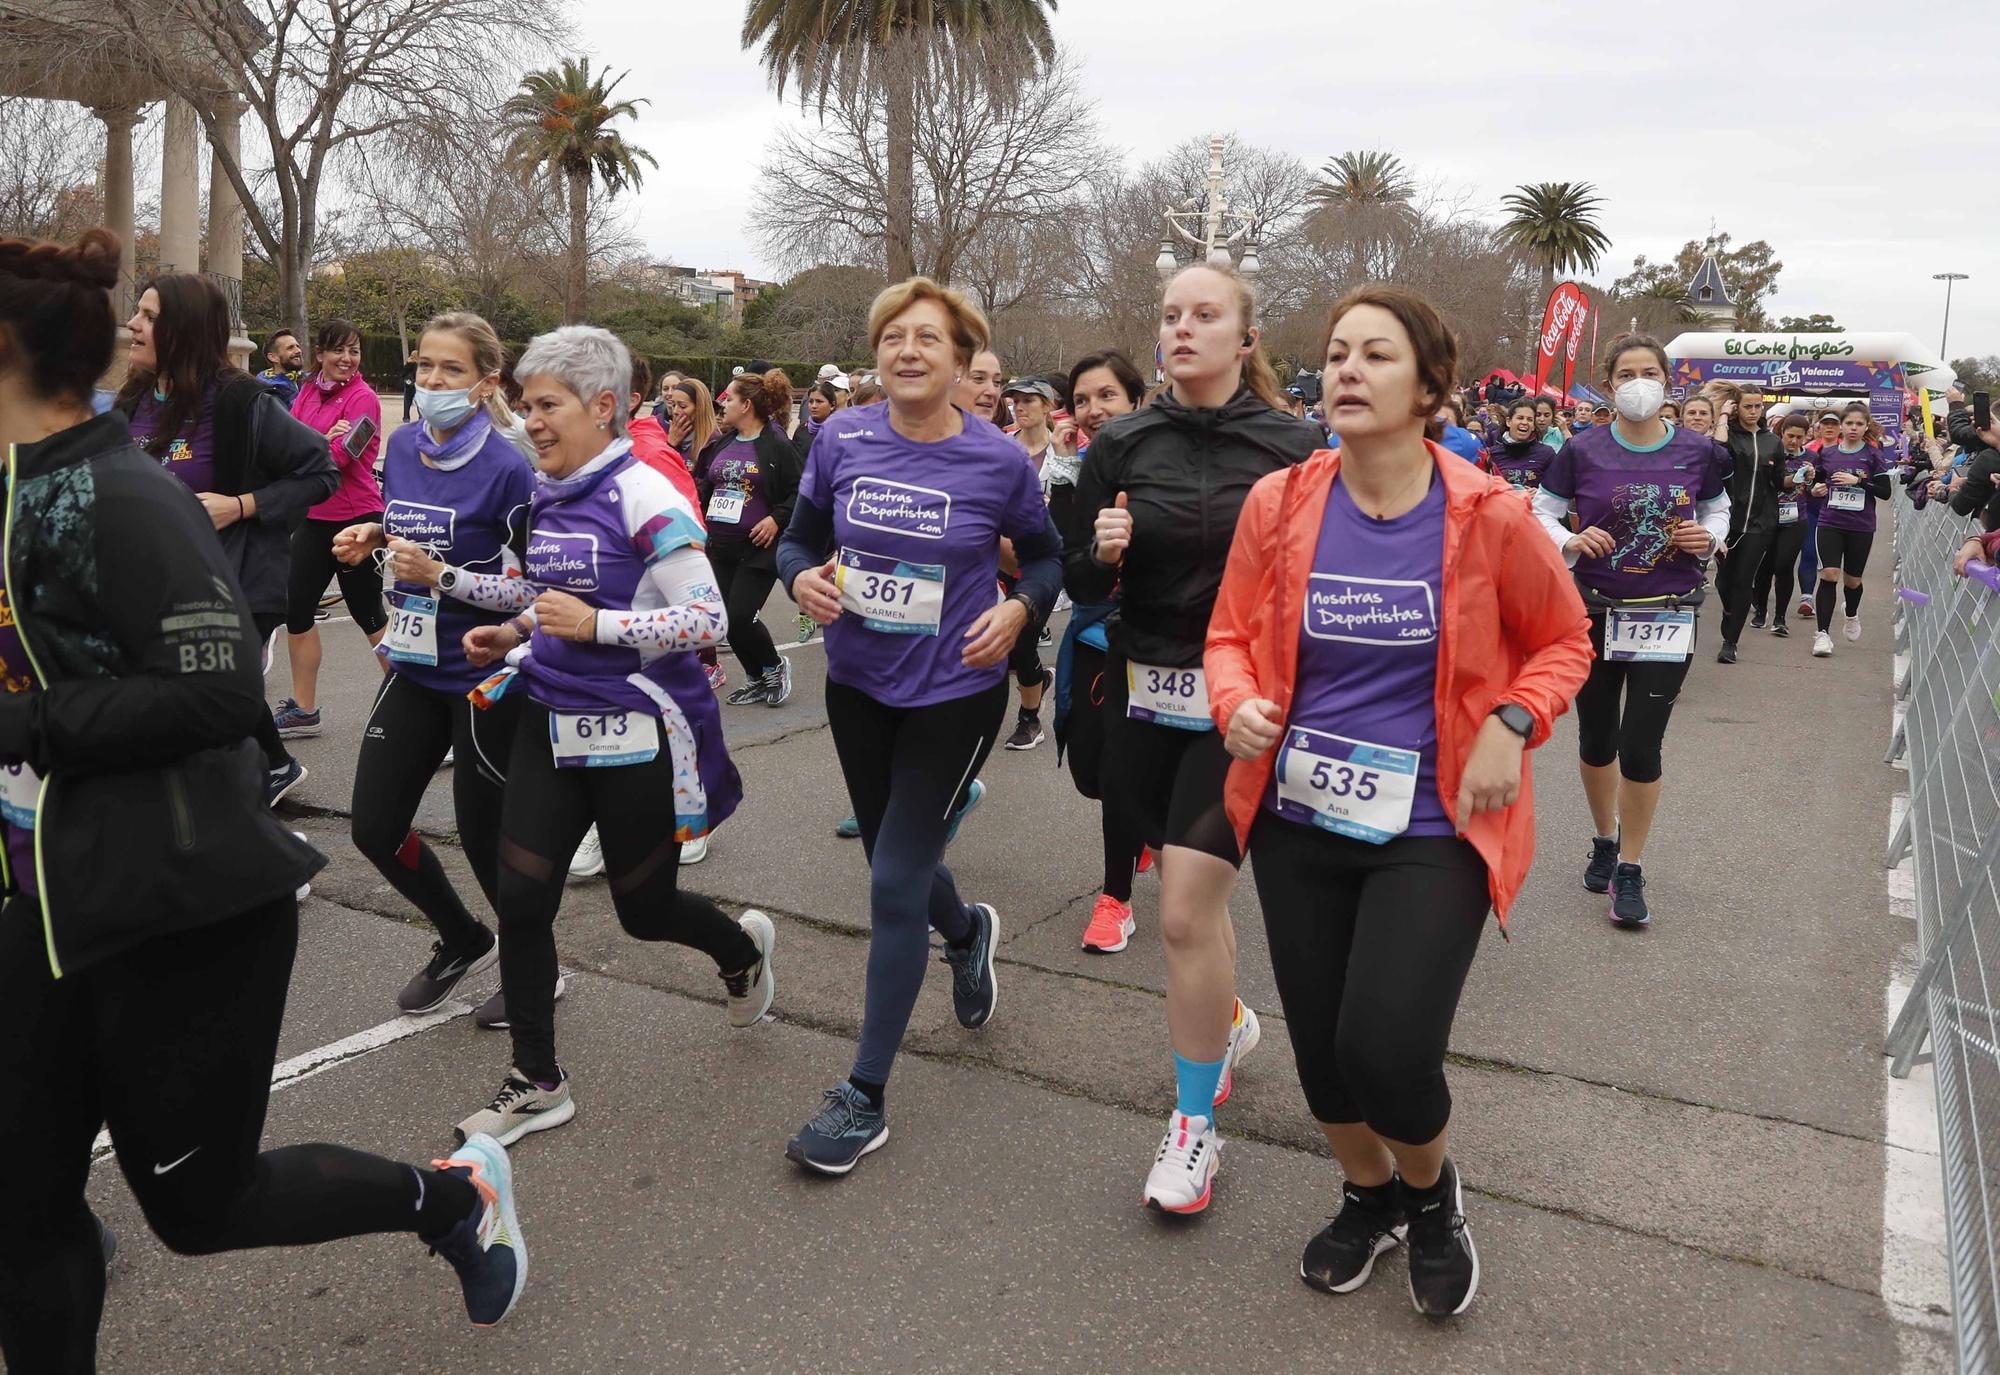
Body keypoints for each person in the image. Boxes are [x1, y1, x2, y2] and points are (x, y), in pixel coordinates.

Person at [0, 231, 528, 1368]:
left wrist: (25, 727)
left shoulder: (122, 496)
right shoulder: (15, 484)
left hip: (180, 902)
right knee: (22, 1206)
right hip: (43, 904)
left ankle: (450, 1199)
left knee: (200, 1209)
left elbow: (205, 697)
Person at [1207, 283, 1591, 1318]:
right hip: (1296, 818)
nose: (1345, 371)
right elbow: (1230, 635)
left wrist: (1512, 725)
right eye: (1335, 353)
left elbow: (1564, 642)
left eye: (1374, 356)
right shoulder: (1278, 504)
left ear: (1428, 389)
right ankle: (1365, 1193)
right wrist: (1235, 701)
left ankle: (1430, 1197)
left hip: (1431, 822)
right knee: (1325, 1055)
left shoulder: (1489, 514)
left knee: (1386, 1046)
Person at [454, 325, 775, 1145]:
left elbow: (710, 617)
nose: (532, 422)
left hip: (637, 729)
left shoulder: (647, 495)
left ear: (602, 407)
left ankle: (740, 950)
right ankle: (537, 1079)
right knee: (522, 899)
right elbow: (549, 589)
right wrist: (517, 629)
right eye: (525, 406)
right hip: (550, 717)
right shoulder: (552, 490)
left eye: (548, 405)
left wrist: (597, 624)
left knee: (644, 908)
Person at [776, 278, 1057, 1175]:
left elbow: (1048, 557)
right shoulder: (840, 436)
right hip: (858, 686)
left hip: (955, 692)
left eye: (926, 338)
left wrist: (1018, 612)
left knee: (892, 883)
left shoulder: (998, 461)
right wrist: (798, 579)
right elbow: (796, 537)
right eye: (892, 335)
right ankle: (968, 928)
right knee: (897, 869)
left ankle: (865, 1093)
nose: (906, 350)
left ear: (961, 358)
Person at [1065, 263, 1323, 1213]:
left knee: (1178, 909)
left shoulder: (1296, 446)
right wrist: (1100, 554)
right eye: (1170, 314)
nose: (1182, 329)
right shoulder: (1122, 441)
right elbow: (1078, 586)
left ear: (1245, 340)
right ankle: (1230, 1021)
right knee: (1190, 907)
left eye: (1205, 315)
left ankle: (1192, 1130)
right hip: (1141, 697)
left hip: (1237, 708)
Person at [330, 312, 535, 1017]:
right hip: (415, 663)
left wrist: (446, 576)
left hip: (482, 672)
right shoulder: (406, 441)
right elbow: (408, 516)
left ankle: (532, 965)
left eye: (451, 370)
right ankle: (460, 935)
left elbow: (532, 590)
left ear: (485, 384)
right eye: (424, 368)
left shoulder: (511, 466)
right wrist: (375, 529)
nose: (433, 382)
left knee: (487, 839)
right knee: (373, 826)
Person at [1531, 335, 1731, 928]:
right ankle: (1603, 839)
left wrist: (1710, 537)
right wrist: (1567, 539)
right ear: (1610, 383)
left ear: (1668, 381)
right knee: (1597, 738)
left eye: (1649, 371)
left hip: (1668, 613)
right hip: (1592, 612)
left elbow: (1718, 508)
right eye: (1626, 373)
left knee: (1642, 743)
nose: (1637, 381)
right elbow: (1541, 511)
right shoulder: (1580, 449)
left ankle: (1631, 867)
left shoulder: (1700, 452)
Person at [117, 274, 336, 808]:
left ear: (185, 331)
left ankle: (255, 853)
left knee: (202, 708)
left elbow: (320, 471)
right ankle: (270, 773)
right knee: (201, 708)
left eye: (149, 316)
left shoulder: (243, 402)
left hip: (234, 581)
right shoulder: (132, 400)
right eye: (137, 313)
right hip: (160, 587)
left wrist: (240, 505)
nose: (133, 324)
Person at [1054, 350, 1155, 954]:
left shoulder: (1165, 465)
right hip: (1092, 630)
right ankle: (1138, 826)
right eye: (1084, 399)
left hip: (1155, 643)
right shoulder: (1072, 470)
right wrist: (1065, 474)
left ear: (1136, 401)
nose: (1094, 410)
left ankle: (1116, 898)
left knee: (1120, 772)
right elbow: (1068, 564)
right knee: (1091, 770)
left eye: (1108, 397)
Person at [276, 318, 388, 738]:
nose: (347, 358)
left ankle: (419, 710)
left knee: (369, 614)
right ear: (319, 353)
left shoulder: (365, 399)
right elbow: (283, 445)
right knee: (296, 611)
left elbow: (344, 456)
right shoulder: (305, 389)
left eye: (354, 350)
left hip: (358, 520)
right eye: (338, 350)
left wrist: (315, 443)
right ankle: (304, 710)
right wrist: (322, 437)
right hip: (313, 517)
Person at [695, 371, 802, 707]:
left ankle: (773, 667)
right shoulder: (724, 442)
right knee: (727, 621)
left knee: (741, 616)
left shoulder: (776, 444)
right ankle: (756, 678)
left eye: (728, 398)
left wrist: (775, 519)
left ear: (747, 404)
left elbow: (800, 491)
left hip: (757, 550)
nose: (722, 403)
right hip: (721, 547)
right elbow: (705, 486)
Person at [999, 376, 1066, 750]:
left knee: (1023, 643)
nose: (1019, 407)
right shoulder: (1002, 447)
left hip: (1040, 563)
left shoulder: (1065, 449)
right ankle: (1036, 681)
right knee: (1005, 645)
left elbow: (1073, 509)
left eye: (1028, 401)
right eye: (1015, 401)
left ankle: (1030, 719)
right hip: (999, 557)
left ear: (1047, 405)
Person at [1808, 403, 1893, 658]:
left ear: (1866, 426)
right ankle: (1822, 635)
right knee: (1829, 574)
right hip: (1830, 521)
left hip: (1861, 525)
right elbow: (1816, 482)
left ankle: (1852, 614)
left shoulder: (1873, 455)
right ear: (1842, 426)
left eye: (1858, 424)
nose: (1853, 428)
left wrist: (1858, 481)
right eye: (1849, 423)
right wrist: (1815, 490)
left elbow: (1885, 493)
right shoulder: (1828, 453)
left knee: (1852, 581)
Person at [663, 377, 728, 693]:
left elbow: (702, 488)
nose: (675, 411)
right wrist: (671, 444)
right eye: (672, 404)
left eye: (682, 406)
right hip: (669, 526)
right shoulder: (670, 436)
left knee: (695, 598)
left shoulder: (714, 441)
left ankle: (710, 663)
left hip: (700, 530)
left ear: (699, 407)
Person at [1714, 388, 1783, 663]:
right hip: (1728, 519)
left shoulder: (1772, 441)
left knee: (1744, 580)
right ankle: (1730, 613)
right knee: (1723, 581)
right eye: (1748, 407)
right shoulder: (1729, 436)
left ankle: (1730, 641)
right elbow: (1717, 454)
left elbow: (1778, 482)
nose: (1754, 412)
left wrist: (1800, 479)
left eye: (1758, 407)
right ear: (1737, 408)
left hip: (1761, 522)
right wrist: (1722, 415)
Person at [1749, 413, 1818, 638]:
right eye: (1790, 436)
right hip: (1767, 517)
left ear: (1806, 436)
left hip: (1795, 520)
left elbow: (1813, 489)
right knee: (1763, 567)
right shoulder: (1770, 452)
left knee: (1784, 566)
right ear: (1782, 433)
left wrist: (1812, 483)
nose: (1794, 441)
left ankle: (1780, 618)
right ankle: (1760, 610)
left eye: (1799, 437)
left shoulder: (1811, 458)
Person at [1489, 397, 1556, 494]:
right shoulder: (1493, 453)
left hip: (1533, 507)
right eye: (1520, 418)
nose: (1524, 422)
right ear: (1509, 421)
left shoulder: (1547, 454)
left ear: (1533, 426)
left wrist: (1540, 493)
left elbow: (1556, 488)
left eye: (1529, 419)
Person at [256, 328, 306, 407]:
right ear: (273, 357)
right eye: (290, 348)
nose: (298, 351)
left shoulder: (310, 380)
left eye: (297, 346)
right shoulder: (268, 392)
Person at [400, 351, 418, 423]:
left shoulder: (408, 363)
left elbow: (402, 374)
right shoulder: (418, 365)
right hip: (416, 385)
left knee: (407, 402)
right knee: (419, 402)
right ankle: (421, 416)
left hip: (408, 386)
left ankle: (406, 417)